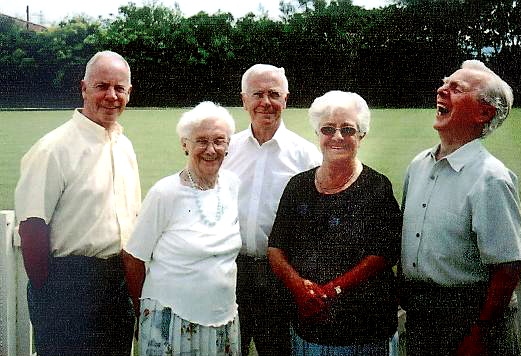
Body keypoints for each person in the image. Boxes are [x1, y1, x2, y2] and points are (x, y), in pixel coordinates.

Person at [14, 51, 140, 356]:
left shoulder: (123, 146)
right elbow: (31, 228)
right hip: (67, 287)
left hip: (117, 285)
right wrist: (51, 295)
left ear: (129, 93)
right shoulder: (53, 149)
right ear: (84, 88)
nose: (111, 96)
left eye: (119, 88)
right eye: (102, 86)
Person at [400, 60, 521, 356]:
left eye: (456, 88)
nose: (442, 89)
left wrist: (478, 336)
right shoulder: (418, 165)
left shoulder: (491, 179)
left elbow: (507, 267)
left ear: (484, 113)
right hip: (422, 320)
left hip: (470, 325)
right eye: (445, 83)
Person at [268, 90, 403, 355]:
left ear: (362, 134)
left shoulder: (377, 187)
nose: (337, 137)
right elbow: (276, 248)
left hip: (365, 333)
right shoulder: (298, 186)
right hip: (308, 330)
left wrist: (332, 290)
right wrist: (299, 287)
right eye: (328, 129)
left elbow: (384, 254)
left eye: (348, 129)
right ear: (317, 134)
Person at [122, 101, 241, 356]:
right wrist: (144, 312)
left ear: (228, 146)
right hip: (172, 324)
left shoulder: (232, 185)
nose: (211, 149)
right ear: (184, 145)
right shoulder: (165, 193)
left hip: (224, 320)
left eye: (219, 141)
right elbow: (133, 257)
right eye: (201, 141)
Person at [221, 64, 322, 355]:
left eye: (274, 94)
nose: (266, 102)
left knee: (277, 349)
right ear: (244, 100)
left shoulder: (307, 157)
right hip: (230, 272)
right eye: (258, 94)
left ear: (286, 99)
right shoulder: (226, 150)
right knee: (228, 347)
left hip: (279, 277)